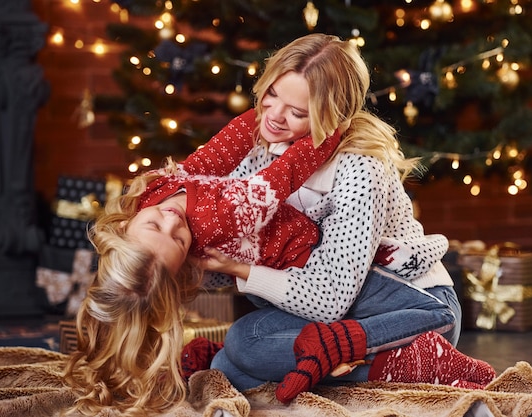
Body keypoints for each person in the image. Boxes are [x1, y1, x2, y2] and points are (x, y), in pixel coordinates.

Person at [183, 33, 495, 403]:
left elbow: (329, 299)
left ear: (334, 116)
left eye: (298, 113)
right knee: (236, 358)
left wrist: (240, 270)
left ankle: (420, 362)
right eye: (271, 95)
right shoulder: (259, 151)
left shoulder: (361, 168)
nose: (275, 116)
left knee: (243, 343)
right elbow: (231, 245)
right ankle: (378, 366)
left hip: (409, 309)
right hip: (331, 310)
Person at [62, 116, 341, 417]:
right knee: (240, 349)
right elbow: (288, 170)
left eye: (155, 225)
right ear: (184, 261)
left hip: (290, 261)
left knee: (239, 352)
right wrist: (332, 123)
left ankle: (349, 343)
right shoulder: (219, 217)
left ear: (125, 227)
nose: (172, 220)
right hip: (306, 264)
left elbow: (219, 153)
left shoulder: (151, 196)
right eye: (180, 242)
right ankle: (360, 347)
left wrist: (267, 109)